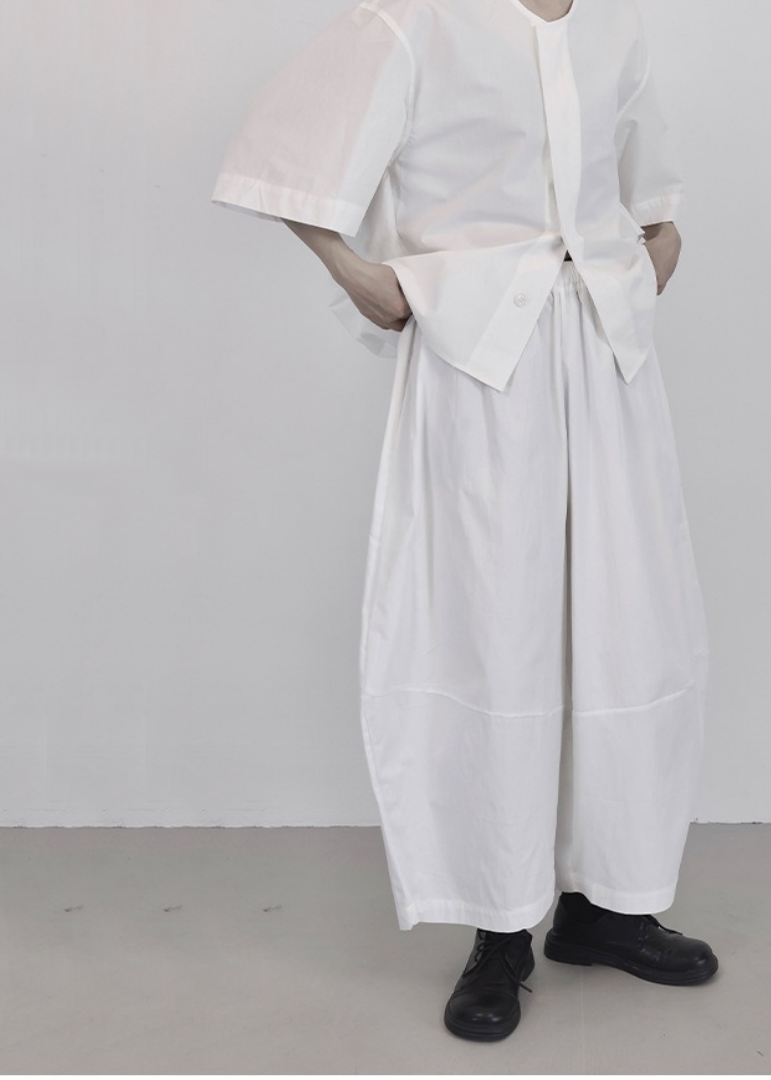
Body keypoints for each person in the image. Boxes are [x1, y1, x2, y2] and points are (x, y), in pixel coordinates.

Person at [211, 0, 719, 1041]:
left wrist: (656, 250)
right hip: (482, 362)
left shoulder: (612, 26)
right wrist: (359, 273)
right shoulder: (417, 19)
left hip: (608, 356)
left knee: (624, 626)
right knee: (495, 632)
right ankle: (499, 927)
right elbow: (281, 152)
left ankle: (606, 905)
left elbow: (650, 187)